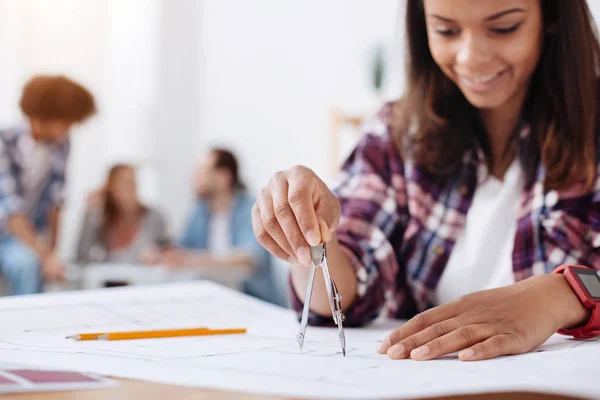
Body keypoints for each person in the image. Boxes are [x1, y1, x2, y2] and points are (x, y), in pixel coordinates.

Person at [253, 0, 600, 362]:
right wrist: (304, 227)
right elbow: (344, 295)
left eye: (504, 28)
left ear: (553, 19)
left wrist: (563, 294)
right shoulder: (396, 134)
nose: (471, 57)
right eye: (446, 31)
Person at [0, 75, 96, 295]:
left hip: (30, 237)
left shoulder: (62, 145)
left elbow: (56, 201)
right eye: (65, 121)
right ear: (40, 116)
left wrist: (53, 253)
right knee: (26, 264)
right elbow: (12, 212)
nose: (69, 128)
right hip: (7, 234)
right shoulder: (4, 142)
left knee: (42, 266)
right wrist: (44, 256)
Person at [164, 149, 283, 306]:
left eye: (201, 171)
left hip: (251, 301)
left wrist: (189, 259)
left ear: (223, 177)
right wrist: (165, 254)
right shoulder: (198, 212)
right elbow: (181, 249)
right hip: (208, 299)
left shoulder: (253, 209)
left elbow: (249, 259)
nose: (194, 177)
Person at [76, 164, 170, 265]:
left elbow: (169, 253)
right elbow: (81, 258)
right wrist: (90, 213)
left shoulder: (154, 218)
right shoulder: (101, 220)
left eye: (132, 182)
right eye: (123, 183)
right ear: (111, 189)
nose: (130, 188)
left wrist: (159, 257)